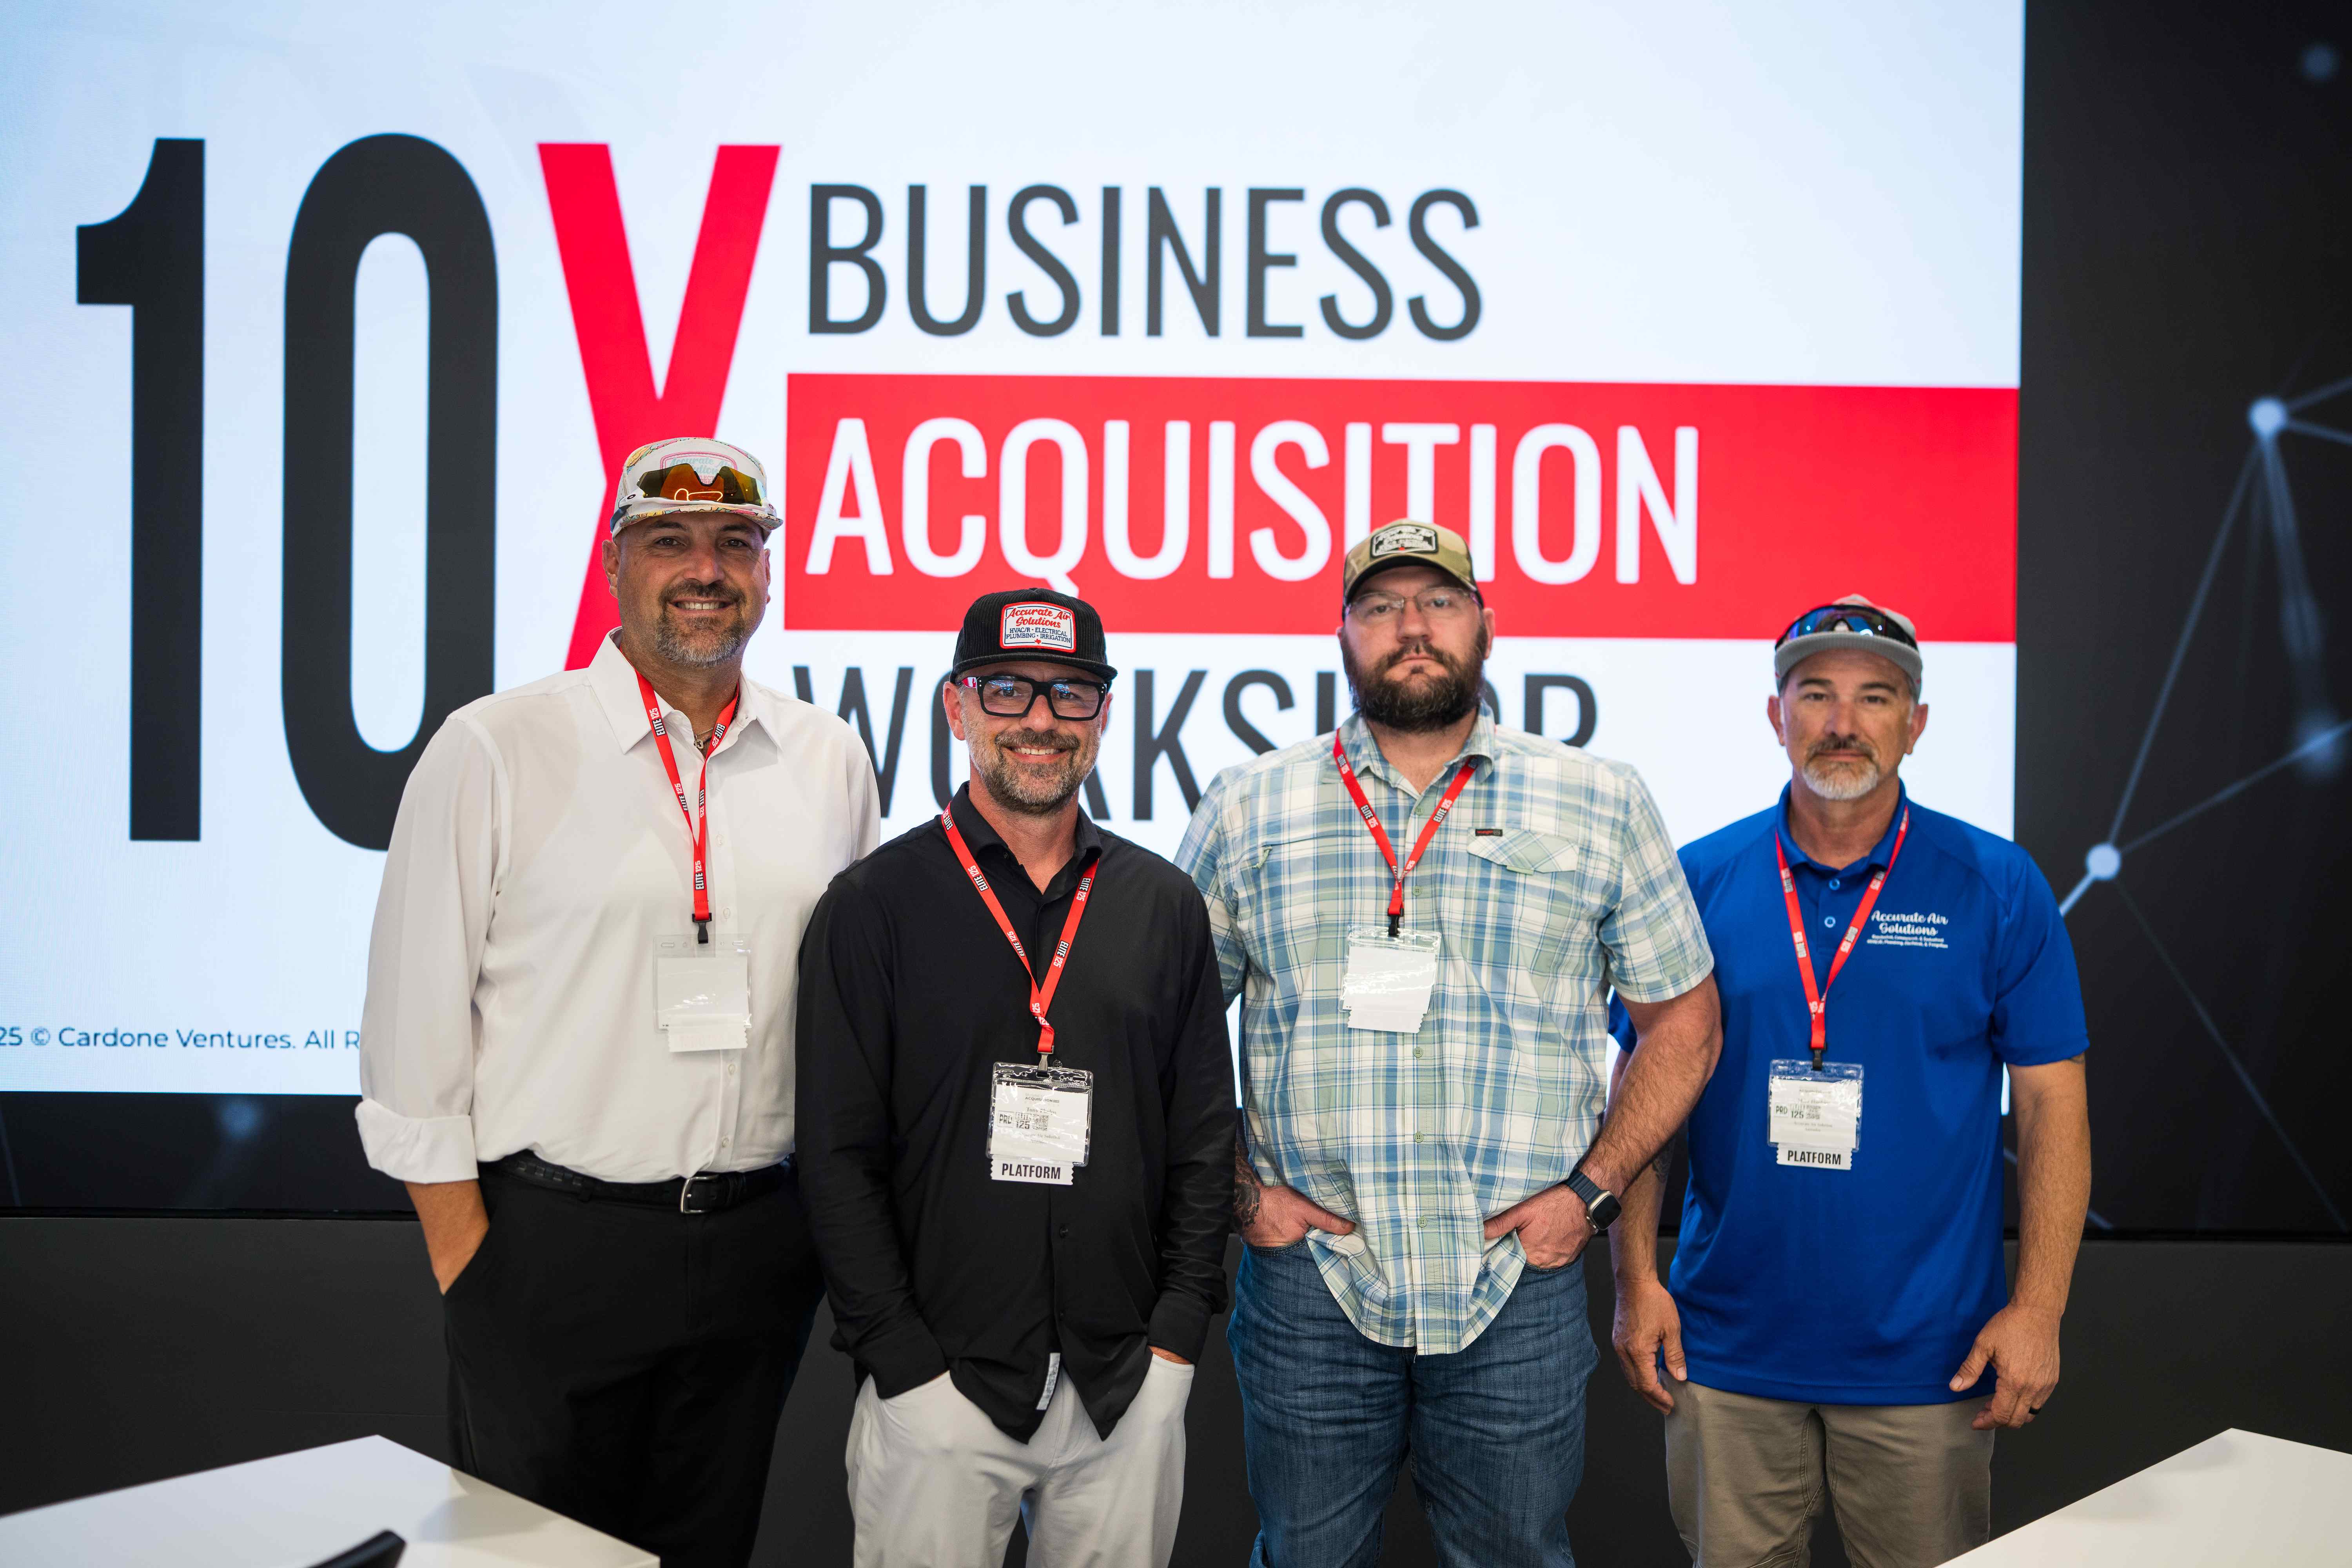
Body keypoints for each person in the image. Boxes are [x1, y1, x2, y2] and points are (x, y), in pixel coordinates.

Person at [355, 437, 880, 1568]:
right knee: (523, 1561)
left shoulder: (826, 759)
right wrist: (476, 1272)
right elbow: (411, 1030)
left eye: (737, 542)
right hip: (551, 1247)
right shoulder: (496, 747)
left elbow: (850, 1014)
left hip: (754, 1251)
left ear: (769, 571)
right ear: (614, 566)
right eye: (670, 541)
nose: (706, 568)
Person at [1176, 521, 1723, 1567]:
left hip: (1514, 1280)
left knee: (1516, 1554)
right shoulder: (1251, 805)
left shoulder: (1597, 798)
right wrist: (1244, 1198)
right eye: (1381, 606)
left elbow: (1683, 1027)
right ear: (1342, 634)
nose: (1412, 627)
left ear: (1485, 626)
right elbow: (1172, 1036)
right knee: (1304, 1558)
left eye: (1439, 601)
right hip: (1313, 1286)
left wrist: (1593, 1193)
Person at [1607, 595, 2092, 1568]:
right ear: (1775, 715)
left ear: (1915, 723)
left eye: (1876, 697)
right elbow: (1642, 1095)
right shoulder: (1697, 878)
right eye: (1815, 693)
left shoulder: (1997, 884)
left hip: (1930, 1358)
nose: (1842, 721)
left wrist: (2038, 1309)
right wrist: (1633, 1281)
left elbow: (2051, 1106)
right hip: (1727, 1352)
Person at [795, 587, 1235, 1568]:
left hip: (1124, 1383)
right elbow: (834, 1153)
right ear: (956, 706)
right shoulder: (873, 905)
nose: (1040, 719)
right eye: (1007, 689)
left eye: (1071, 693)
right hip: (940, 1387)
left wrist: (1173, 1343)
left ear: (1105, 715)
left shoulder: (1162, 904)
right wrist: (901, 1364)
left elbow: (1205, 1135)